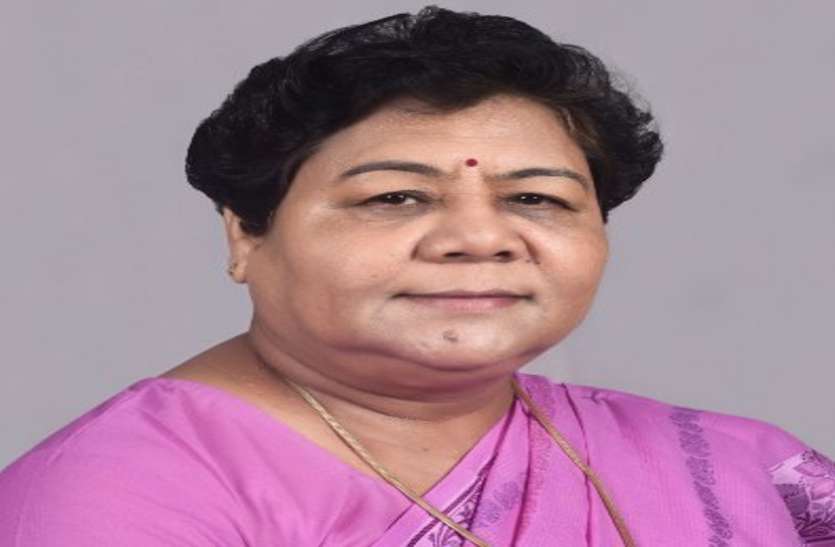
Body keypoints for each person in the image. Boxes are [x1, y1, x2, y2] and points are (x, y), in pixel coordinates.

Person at [1, 6, 832, 546]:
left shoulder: (737, 466)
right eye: (395, 197)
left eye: (536, 198)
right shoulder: (116, 498)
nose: (478, 238)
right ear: (247, 232)